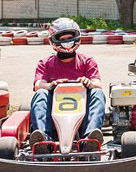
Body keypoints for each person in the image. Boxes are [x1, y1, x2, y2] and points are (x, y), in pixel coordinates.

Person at [29, 18, 106, 152]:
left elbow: (98, 84)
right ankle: (44, 141)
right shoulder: (45, 63)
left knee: (98, 92)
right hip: (55, 113)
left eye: (69, 38)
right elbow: (38, 85)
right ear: (53, 41)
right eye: (62, 39)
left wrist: (89, 83)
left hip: (82, 112)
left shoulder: (87, 61)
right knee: (40, 94)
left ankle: (89, 140)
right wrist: (51, 85)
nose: (66, 42)